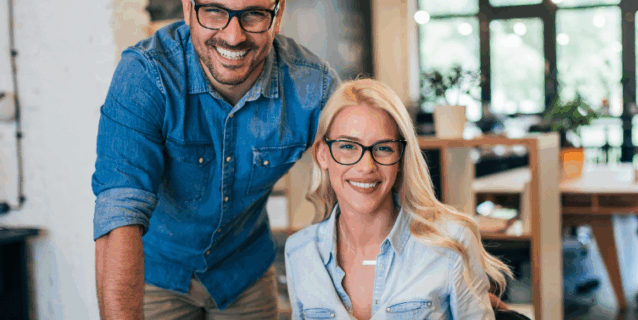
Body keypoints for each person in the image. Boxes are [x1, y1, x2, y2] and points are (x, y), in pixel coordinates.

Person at [91, 0, 339, 318]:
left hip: (244, 273)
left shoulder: (311, 86)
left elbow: (361, 173)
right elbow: (119, 212)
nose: (233, 36)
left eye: (253, 14)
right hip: (153, 274)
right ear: (187, 9)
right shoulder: (146, 75)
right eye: (214, 11)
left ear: (278, 15)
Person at [284, 79, 512, 320]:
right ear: (322, 154)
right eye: (348, 146)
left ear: (402, 158)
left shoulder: (451, 242)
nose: (366, 166)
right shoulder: (299, 252)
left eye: (383, 148)